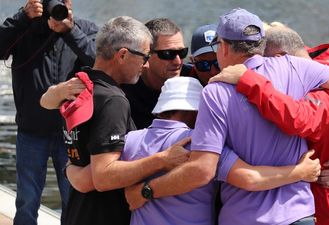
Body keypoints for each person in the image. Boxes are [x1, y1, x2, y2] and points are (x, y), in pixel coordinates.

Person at [122, 8, 329, 225]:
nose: (212, 68)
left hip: (245, 217)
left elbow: (202, 171)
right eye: (203, 64)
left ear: (222, 47)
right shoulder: (296, 67)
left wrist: (146, 191)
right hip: (299, 214)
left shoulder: (215, 92)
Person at [209, 24, 329, 225]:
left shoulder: (322, 94)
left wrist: (250, 80)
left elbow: (299, 119)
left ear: (280, 58)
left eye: (265, 63)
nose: (265, 70)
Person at [40, 16, 189, 225]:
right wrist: (163, 159)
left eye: (182, 53)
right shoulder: (114, 99)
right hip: (105, 214)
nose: (144, 65)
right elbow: (103, 176)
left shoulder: (85, 86)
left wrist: (71, 168)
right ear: (122, 55)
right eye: (144, 57)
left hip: (79, 210)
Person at [123, 76, 321, 225]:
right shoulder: (200, 144)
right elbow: (250, 178)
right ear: (196, 110)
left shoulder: (131, 140)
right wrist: (300, 172)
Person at [0, 0, 97, 224]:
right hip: (31, 131)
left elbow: (100, 62)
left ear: (69, 3)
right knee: (27, 201)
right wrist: (23, 17)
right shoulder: (24, 28)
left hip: (72, 134)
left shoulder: (83, 29)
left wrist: (70, 31)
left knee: (73, 200)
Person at [121, 18, 190, 129]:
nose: (178, 61)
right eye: (167, 54)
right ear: (146, 55)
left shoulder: (193, 78)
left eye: (182, 52)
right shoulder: (124, 88)